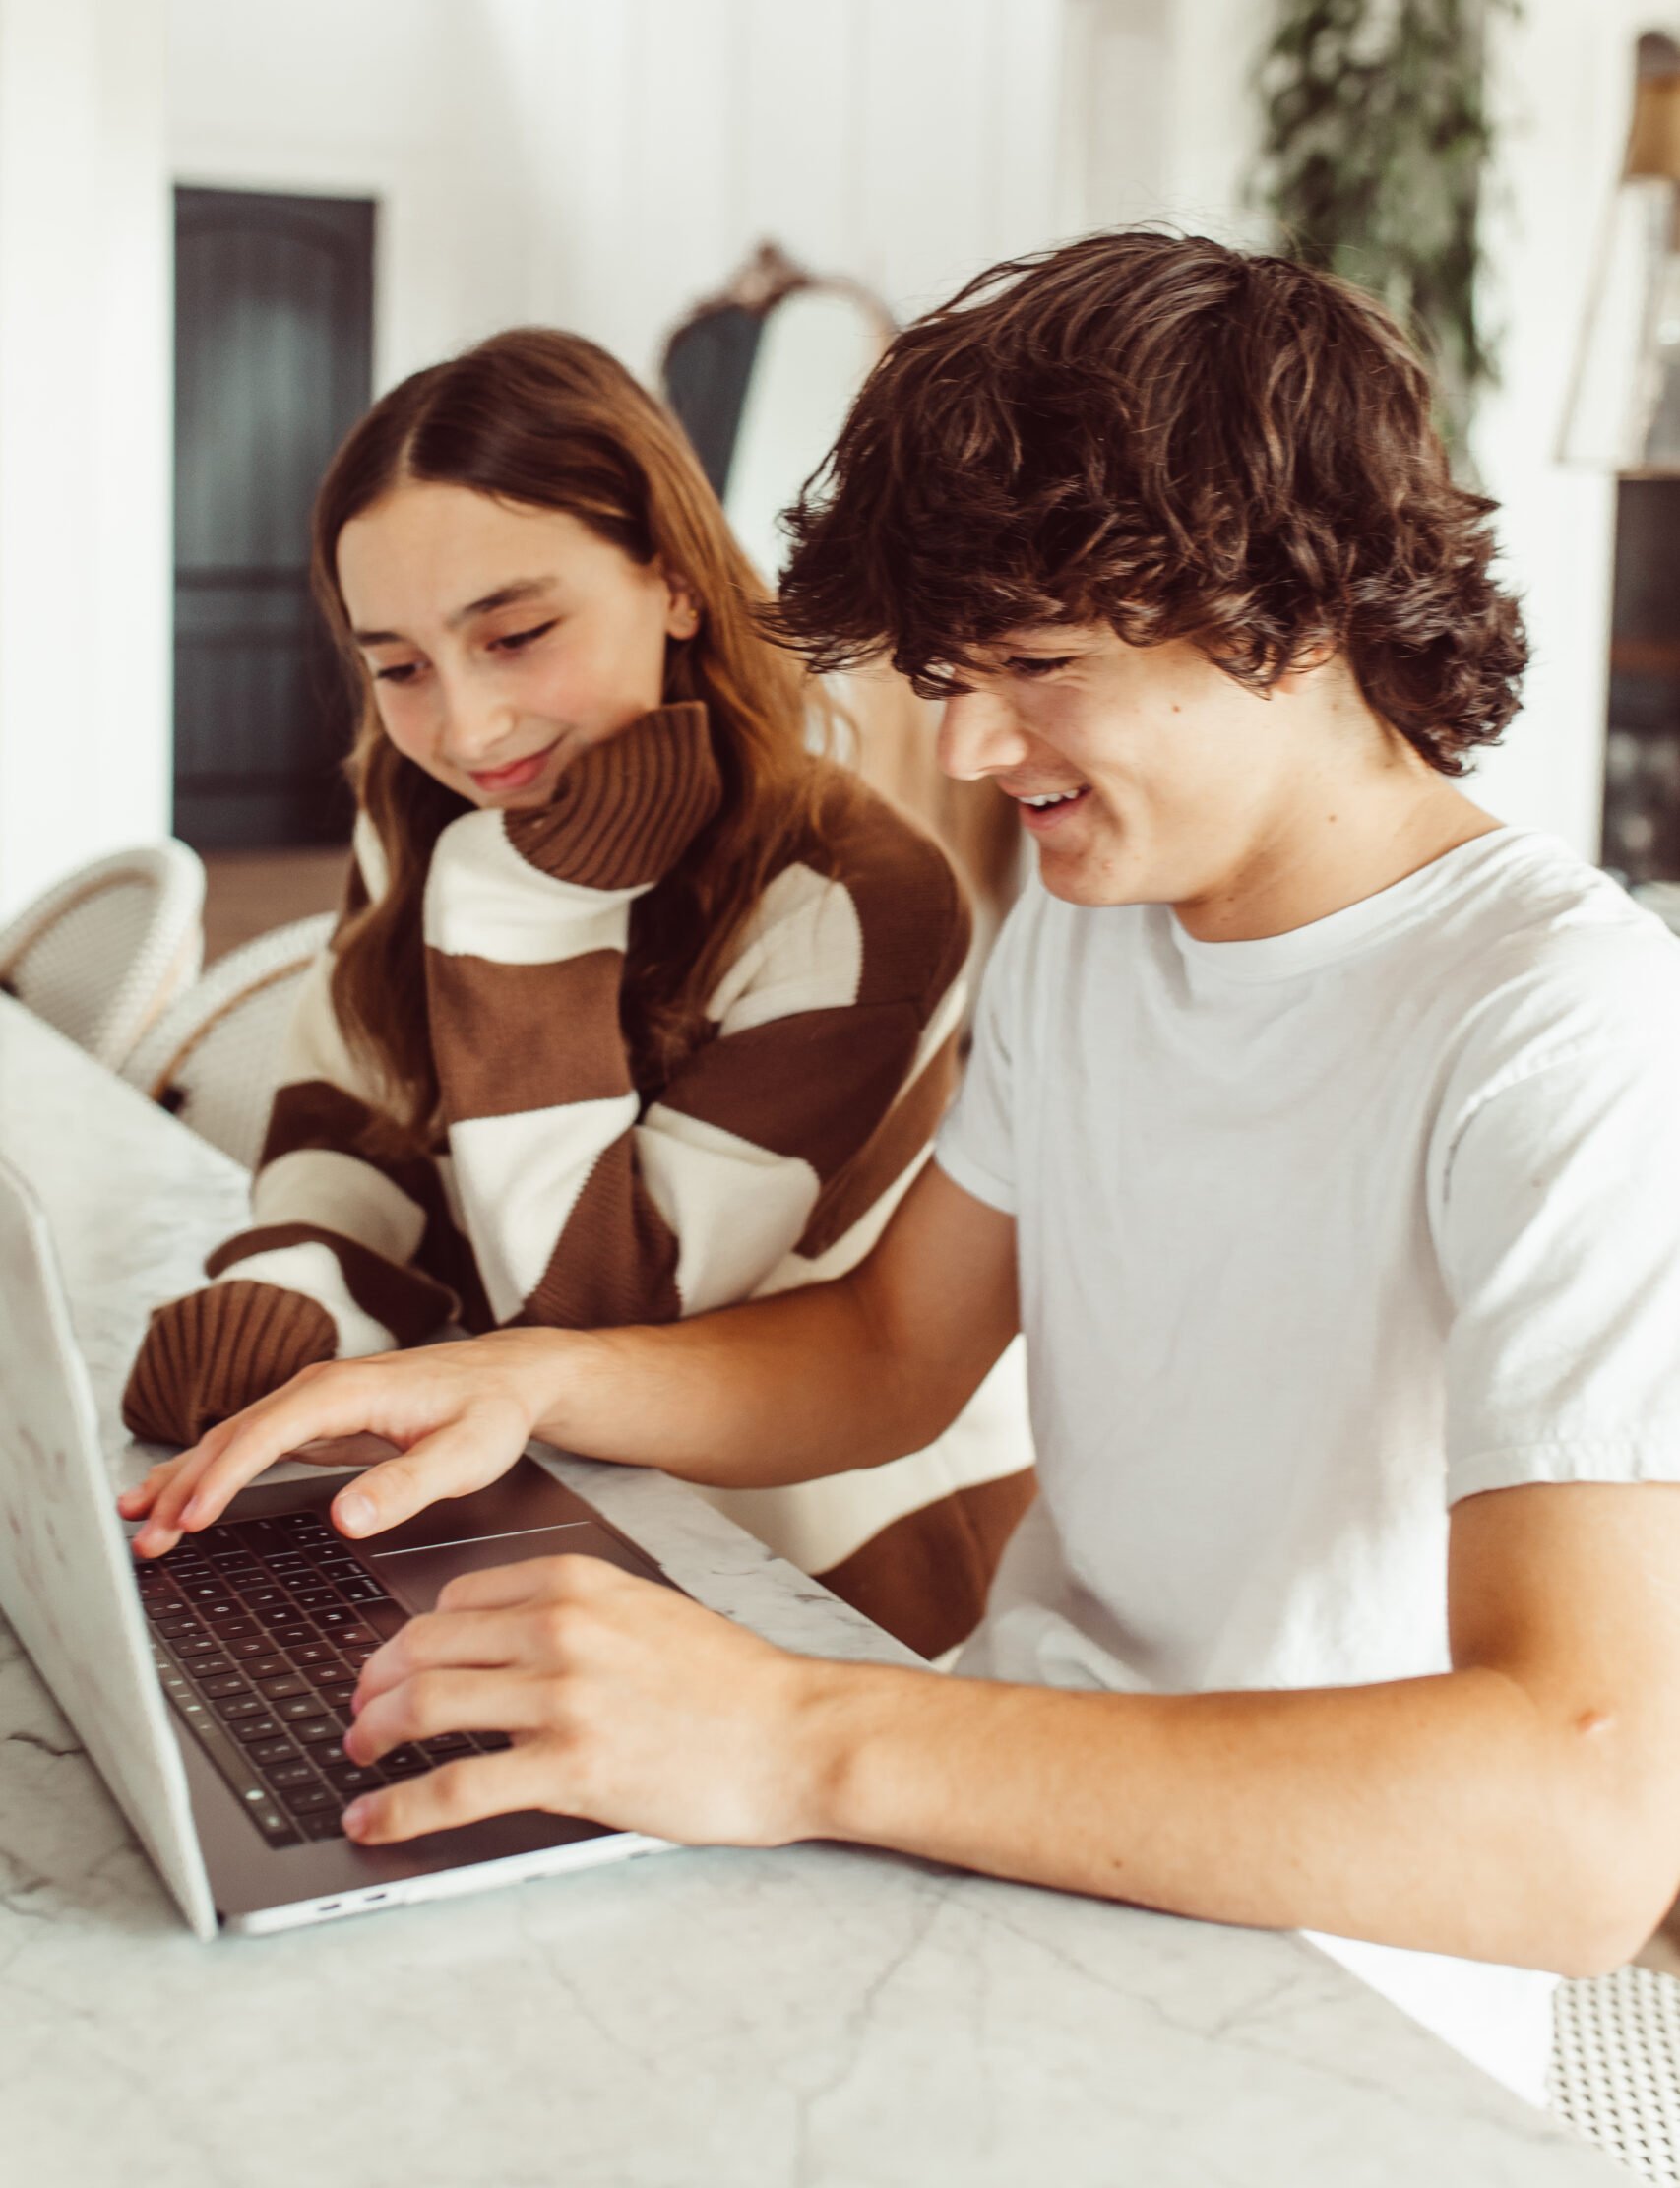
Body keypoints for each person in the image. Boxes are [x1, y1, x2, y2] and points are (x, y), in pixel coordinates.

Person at [123, 237, 1680, 2104]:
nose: (961, 743)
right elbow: (890, 1350)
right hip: (994, 1827)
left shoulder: (1563, 1029)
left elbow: (1580, 1832)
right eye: (950, 672)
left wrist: (796, 1734)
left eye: (1035, 666)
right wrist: (517, 1376)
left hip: (1305, 1994)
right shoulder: (1106, 921)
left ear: (1305, 610)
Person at [121, 326, 1033, 1658]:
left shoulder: (857, 896)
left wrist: (527, 913)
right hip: (538, 1500)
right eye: (399, 668)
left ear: (673, 583)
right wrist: (307, 1293)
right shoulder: (427, 818)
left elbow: (605, 1319)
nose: (470, 730)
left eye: (519, 635)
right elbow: (351, 1120)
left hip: (826, 1578)